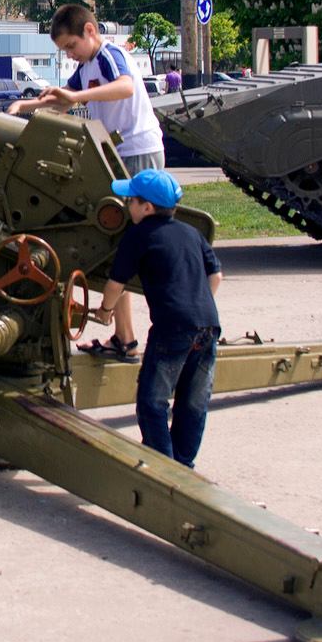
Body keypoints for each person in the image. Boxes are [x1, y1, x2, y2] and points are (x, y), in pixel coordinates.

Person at [6, 2, 166, 359]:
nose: (69, 55)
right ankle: (124, 339)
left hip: (138, 151)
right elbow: (62, 100)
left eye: (70, 46)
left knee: (143, 248)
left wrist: (77, 97)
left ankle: (162, 332)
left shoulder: (108, 56)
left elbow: (124, 87)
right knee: (115, 245)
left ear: (89, 32)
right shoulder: (87, 65)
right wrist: (26, 107)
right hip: (117, 155)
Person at [92, 168, 222, 468]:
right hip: (208, 325)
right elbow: (216, 275)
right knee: (193, 404)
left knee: (152, 403)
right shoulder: (192, 232)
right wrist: (196, 304)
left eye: (131, 201)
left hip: (172, 328)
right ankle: (183, 467)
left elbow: (116, 284)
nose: (127, 206)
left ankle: (164, 470)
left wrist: (106, 311)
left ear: (147, 207)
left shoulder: (138, 235)